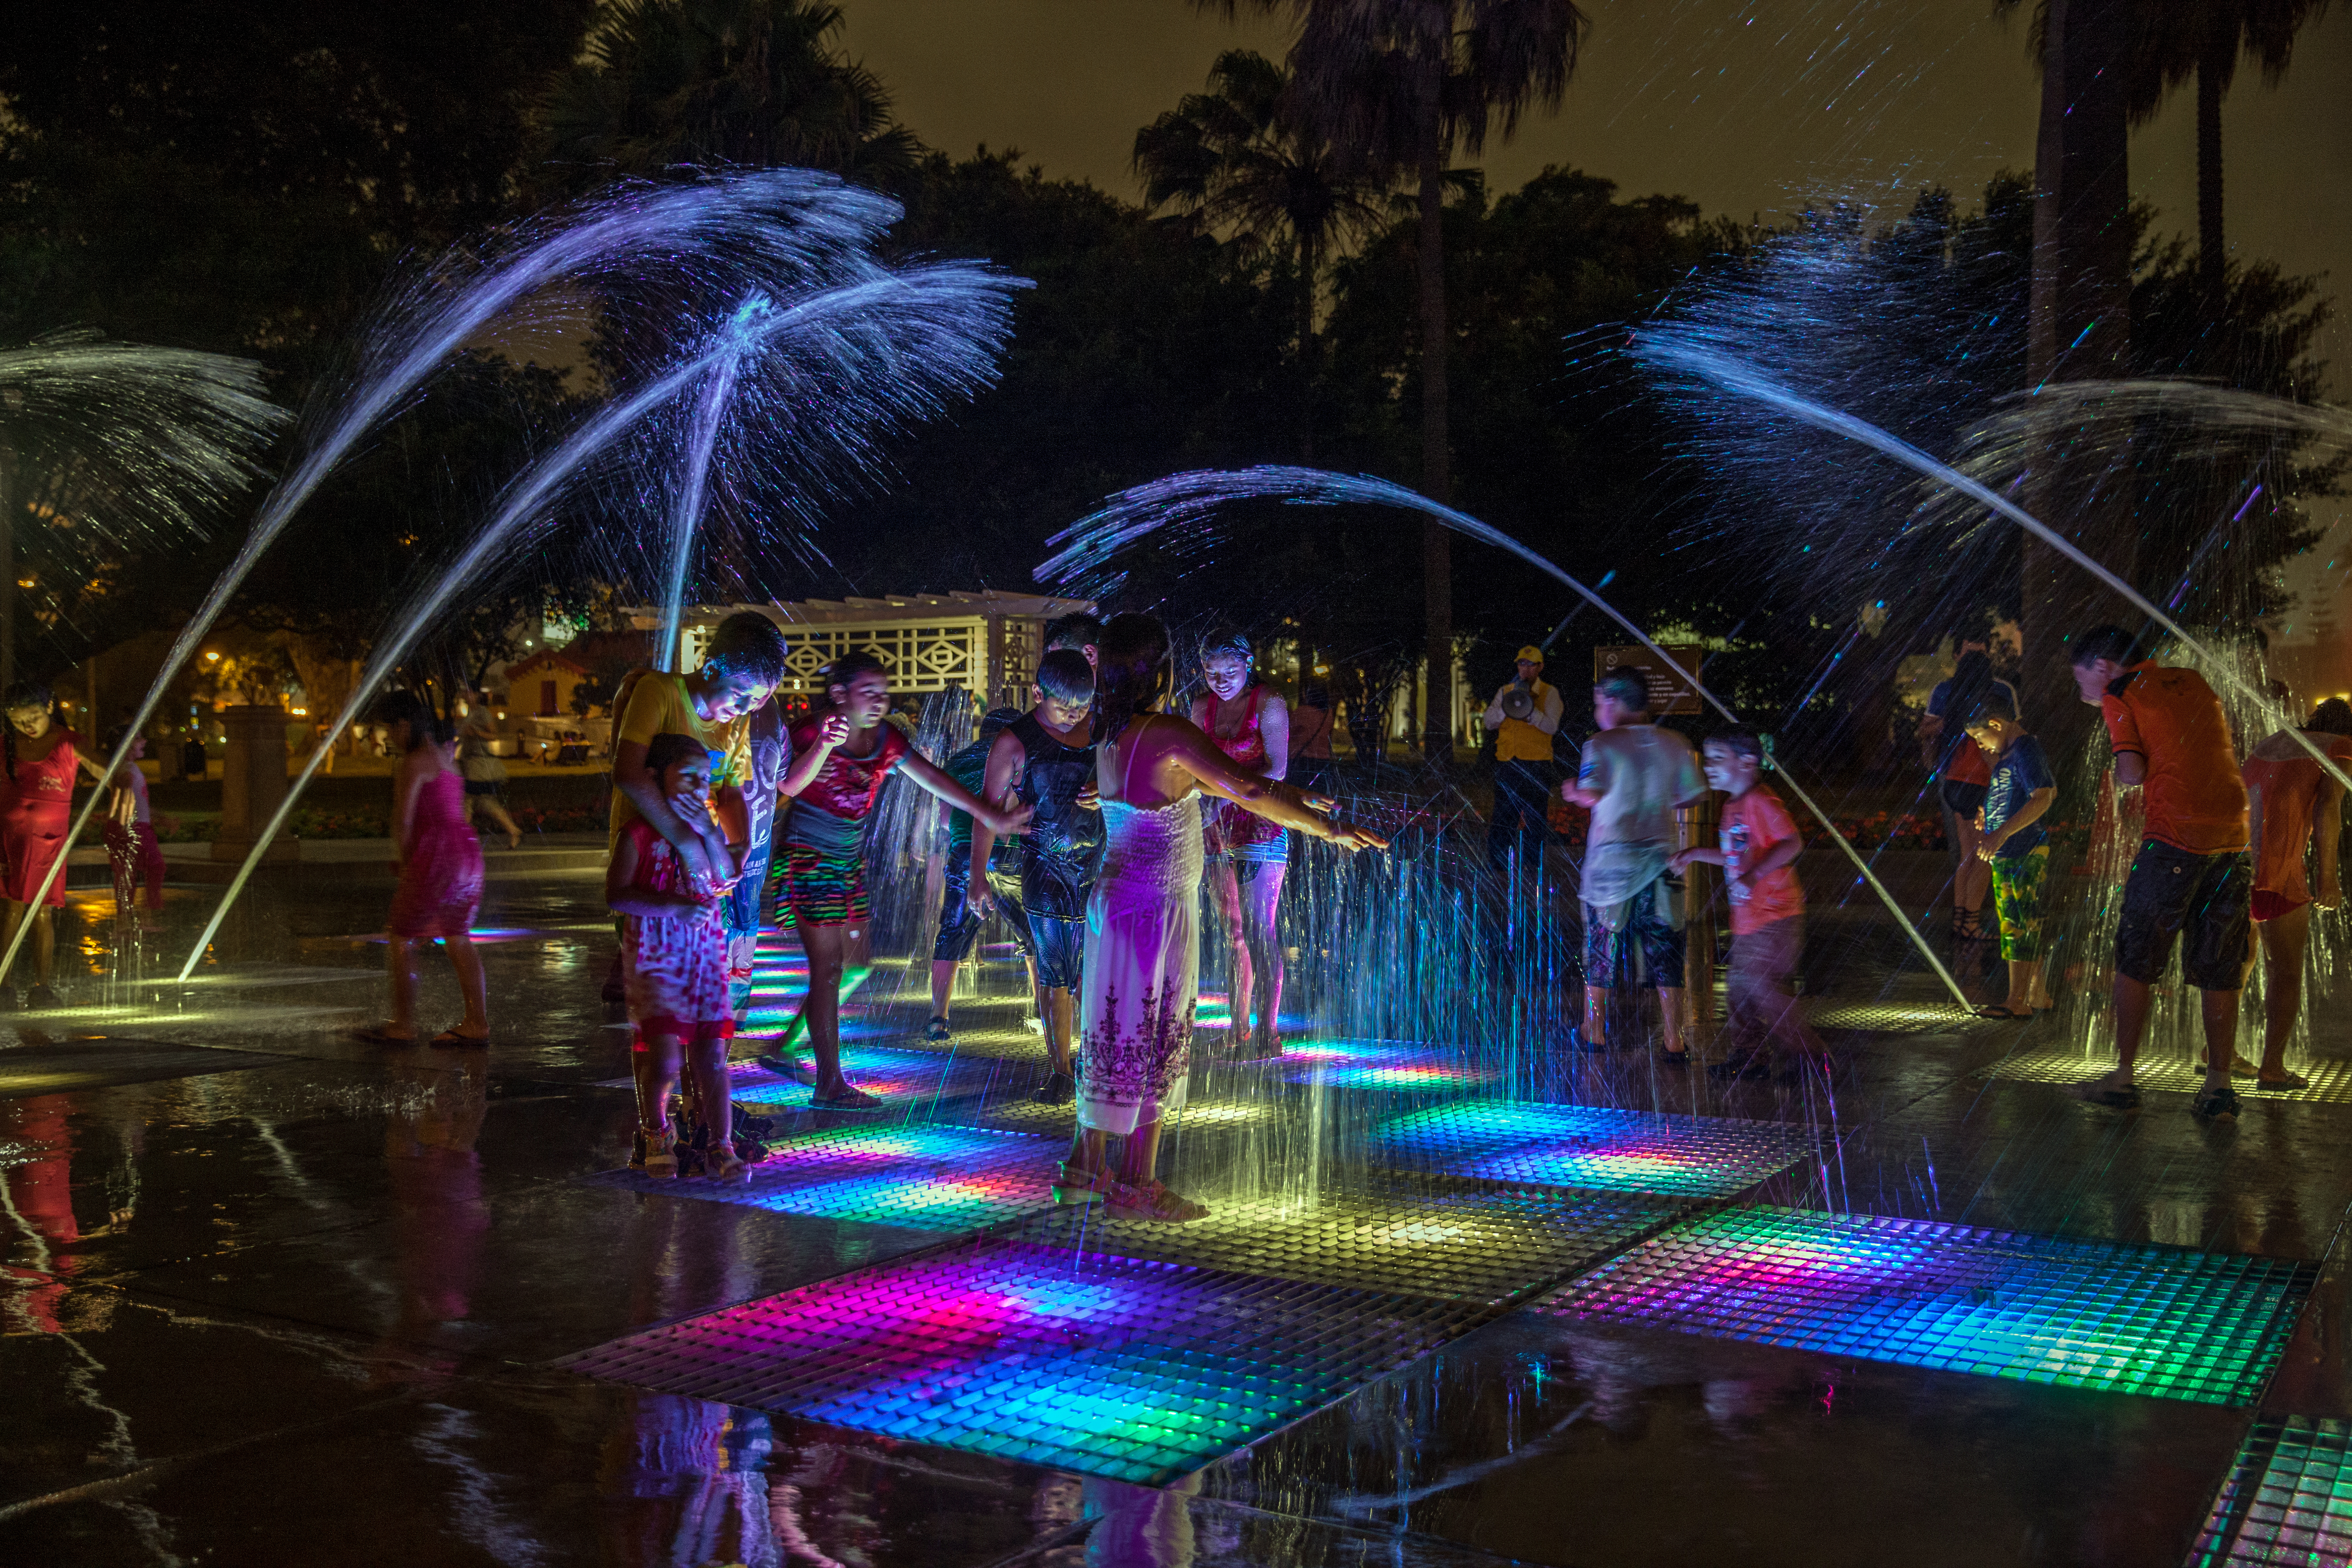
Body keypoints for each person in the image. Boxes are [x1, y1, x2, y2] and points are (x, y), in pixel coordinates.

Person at [1055, 614, 1385, 1221]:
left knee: (1112, 1029)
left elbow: (1227, 785)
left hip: (1114, 899)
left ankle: (1082, 1165)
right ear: (1162, 670)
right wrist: (1330, 829)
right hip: (1155, 905)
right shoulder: (1170, 732)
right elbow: (1249, 792)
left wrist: (1303, 798)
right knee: (1154, 1034)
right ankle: (1137, 1183)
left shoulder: (1110, 731)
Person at [763, 652, 1030, 1109]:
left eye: (883, 694)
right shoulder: (815, 731)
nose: (879, 702)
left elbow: (934, 780)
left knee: (856, 967)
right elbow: (787, 786)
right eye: (868, 694)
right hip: (808, 860)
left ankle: (785, 1046)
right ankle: (829, 1083)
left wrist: (990, 815)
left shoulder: (885, 739)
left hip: (847, 863)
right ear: (839, 696)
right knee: (827, 971)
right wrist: (824, 746)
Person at [2067, 626, 2252, 1120]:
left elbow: (2131, 772)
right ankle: (2218, 1090)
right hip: (2233, 839)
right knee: (2219, 963)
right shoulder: (2192, 679)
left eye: (2079, 676)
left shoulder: (2118, 692)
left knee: (2137, 955)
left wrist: (2124, 754)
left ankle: (2123, 1079)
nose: (2081, 687)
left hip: (2175, 838)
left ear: (2103, 666)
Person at [600, 613, 789, 1002]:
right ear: (712, 667)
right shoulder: (659, 692)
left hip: (699, 880)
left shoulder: (734, 725)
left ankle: (695, 1064)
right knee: (656, 1007)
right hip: (648, 872)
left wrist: (740, 849)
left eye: (755, 702)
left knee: (698, 1001)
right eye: (739, 693)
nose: (742, 708)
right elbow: (629, 773)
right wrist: (687, 841)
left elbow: (731, 791)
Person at [609, 731, 745, 1180]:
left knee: (713, 1058)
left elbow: (727, 877)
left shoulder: (707, 830)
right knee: (666, 1056)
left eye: (704, 779)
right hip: (658, 957)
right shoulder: (639, 834)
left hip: (705, 958)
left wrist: (709, 832)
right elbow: (617, 894)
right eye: (685, 777)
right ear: (654, 778)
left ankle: (721, 1145)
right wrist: (672, 907)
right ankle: (657, 1132)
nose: (697, 787)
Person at [972, 650, 1104, 1105]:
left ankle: (1096, 1058)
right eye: (1063, 707)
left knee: (1095, 969)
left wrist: (1109, 792)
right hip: (1044, 871)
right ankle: (1060, 1068)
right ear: (1036, 695)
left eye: (1082, 708)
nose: (1074, 717)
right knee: (1054, 972)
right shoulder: (1015, 741)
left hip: (1098, 868)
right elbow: (986, 813)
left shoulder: (1102, 730)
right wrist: (977, 876)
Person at [1566, 668, 1709, 1060]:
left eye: (1598, 704)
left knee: (1601, 948)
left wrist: (1573, 792)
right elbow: (1693, 796)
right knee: (1666, 951)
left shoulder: (1600, 744)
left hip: (1611, 867)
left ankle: (1594, 1031)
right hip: (1663, 863)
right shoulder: (1675, 742)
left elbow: (1592, 793)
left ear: (1611, 701)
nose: (1597, 713)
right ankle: (1674, 1040)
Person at [1670, 729, 1827, 1079]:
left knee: (1764, 988)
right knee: (1739, 990)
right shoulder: (1731, 806)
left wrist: (1754, 876)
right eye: (1707, 759)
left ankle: (1811, 1056)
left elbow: (1790, 842)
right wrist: (1695, 853)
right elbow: (1733, 856)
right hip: (1749, 919)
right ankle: (1749, 1055)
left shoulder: (1760, 801)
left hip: (1775, 914)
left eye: (1716, 759)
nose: (1708, 767)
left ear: (1747, 762)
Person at [351, 693, 489, 1047]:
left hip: (436, 854)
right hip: (466, 853)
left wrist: (407, 860)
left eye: (389, 729)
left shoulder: (413, 762)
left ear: (404, 725)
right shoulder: (447, 758)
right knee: (457, 935)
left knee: (400, 934)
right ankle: (477, 1022)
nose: (388, 738)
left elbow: (404, 820)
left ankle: (403, 1024)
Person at [1190, 626, 1291, 1058]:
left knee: (1258, 930)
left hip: (1261, 826)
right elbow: (1194, 764)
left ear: (1248, 665)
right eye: (1212, 672)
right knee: (1233, 933)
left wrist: (1223, 791)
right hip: (1217, 828)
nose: (1221, 680)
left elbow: (1278, 769)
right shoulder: (1200, 708)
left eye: (1230, 670)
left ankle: (1268, 1031)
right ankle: (1238, 1029)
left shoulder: (1269, 704)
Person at [2239, 698, 2352, 1087]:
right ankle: (2271, 1068)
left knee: (2239, 961)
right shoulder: (2340, 747)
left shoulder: (2274, 740)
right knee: (2285, 972)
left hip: (2233, 869)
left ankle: (2215, 1052)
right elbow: (2327, 808)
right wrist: (2328, 879)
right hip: (2278, 872)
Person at [0, 681, 110, 1008]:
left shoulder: (68, 743)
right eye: (19, 721)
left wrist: (123, 779)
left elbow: (102, 765)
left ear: (50, 707)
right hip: (9, 840)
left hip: (45, 844)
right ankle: (4, 984)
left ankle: (41, 985)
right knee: (10, 909)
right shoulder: (7, 745)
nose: (27, 726)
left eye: (33, 716)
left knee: (39, 910)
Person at [926, 706, 1024, 1040]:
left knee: (950, 933)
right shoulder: (1017, 754)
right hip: (1007, 853)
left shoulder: (957, 761)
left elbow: (943, 819)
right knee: (1033, 934)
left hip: (964, 854)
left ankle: (938, 1017)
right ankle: (1044, 1010)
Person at [1918, 636, 2020, 946]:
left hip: (1955, 779)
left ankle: (1960, 920)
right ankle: (1970, 925)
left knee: (1966, 854)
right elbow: (2006, 741)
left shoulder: (1953, 696)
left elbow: (1928, 733)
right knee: (1983, 855)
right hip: (1982, 783)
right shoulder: (1993, 696)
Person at [1961, 704, 2058, 1020]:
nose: (1980, 745)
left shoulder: (2026, 747)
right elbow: (2016, 795)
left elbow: (2043, 795)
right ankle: (2036, 993)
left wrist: (2000, 834)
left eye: (1979, 737)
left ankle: (2016, 1000)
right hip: (2009, 849)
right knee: (2022, 919)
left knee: (2016, 923)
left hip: (2023, 848)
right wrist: (1987, 816)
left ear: (1995, 723)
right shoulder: (2009, 756)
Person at [1483, 645, 1564, 877]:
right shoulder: (1505, 691)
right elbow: (1489, 722)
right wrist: (1506, 709)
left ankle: (1532, 865)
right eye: (1521, 664)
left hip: (1537, 764)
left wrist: (1530, 712)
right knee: (1503, 815)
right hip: (1508, 762)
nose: (1525, 669)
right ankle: (1499, 864)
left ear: (1540, 667)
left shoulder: (1550, 694)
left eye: (1530, 664)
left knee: (1535, 817)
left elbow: (1552, 726)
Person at [102, 725, 165, 930]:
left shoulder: (129, 768)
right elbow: (124, 796)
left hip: (134, 827)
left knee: (129, 874)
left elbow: (138, 802)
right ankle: (144, 916)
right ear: (126, 745)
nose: (144, 741)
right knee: (152, 868)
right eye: (138, 738)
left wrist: (159, 817)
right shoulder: (126, 771)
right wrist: (123, 826)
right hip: (132, 829)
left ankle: (129, 920)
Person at [457, 697, 521, 850]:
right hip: (473, 765)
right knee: (485, 802)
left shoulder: (482, 713)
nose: (466, 694)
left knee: (467, 800)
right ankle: (514, 831)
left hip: (479, 766)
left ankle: (462, 841)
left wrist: (476, 733)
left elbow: (494, 735)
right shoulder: (471, 713)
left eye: (469, 691)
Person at [1289, 683, 1337, 798]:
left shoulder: (1303, 711)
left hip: (1303, 762)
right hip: (1322, 762)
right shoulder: (1329, 713)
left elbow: (1289, 733)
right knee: (1318, 796)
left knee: (1301, 796)